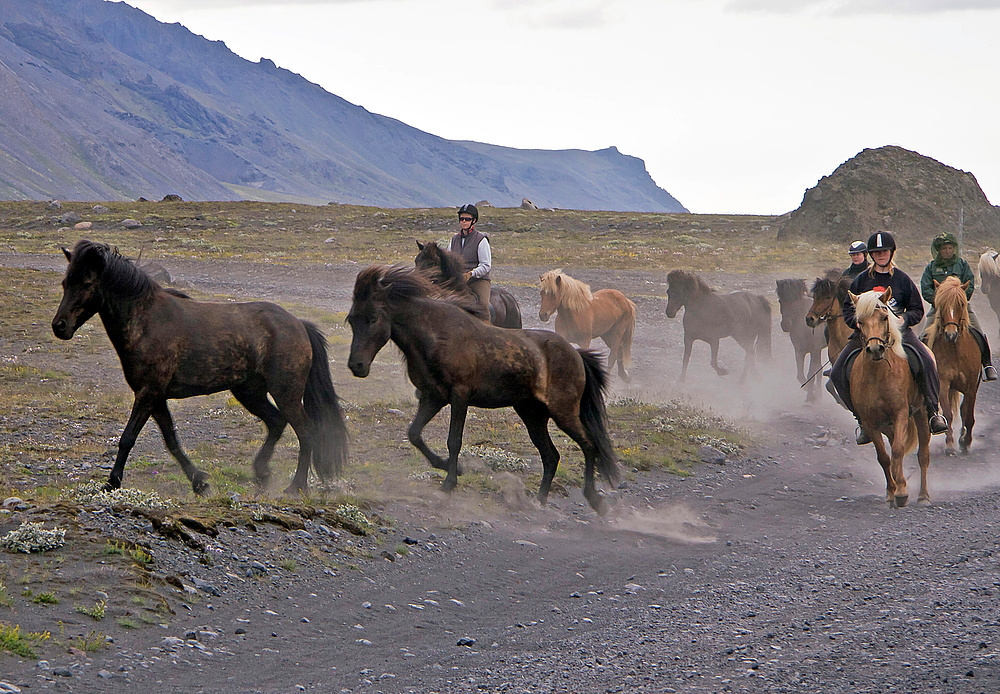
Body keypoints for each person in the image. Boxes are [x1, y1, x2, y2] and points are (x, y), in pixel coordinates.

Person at [829, 231, 948, 445]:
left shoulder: (902, 279)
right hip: (866, 336)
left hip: (900, 334)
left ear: (891, 252)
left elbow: (917, 309)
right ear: (871, 255)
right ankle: (862, 420)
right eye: (876, 252)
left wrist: (904, 319)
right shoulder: (860, 280)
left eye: (884, 251)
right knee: (837, 373)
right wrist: (855, 322)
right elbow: (848, 308)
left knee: (927, 362)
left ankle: (933, 411)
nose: (881, 255)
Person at [919, 232, 998, 381]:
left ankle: (987, 365)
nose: (947, 251)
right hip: (939, 308)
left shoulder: (962, 265)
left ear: (953, 248)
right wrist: (939, 301)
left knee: (979, 332)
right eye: (943, 249)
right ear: (938, 250)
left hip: (961, 307)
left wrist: (960, 299)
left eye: (949, 248)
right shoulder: (931, 268)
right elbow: (926, 288)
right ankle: (922, 367)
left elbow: (970, 282)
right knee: (923, 335)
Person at [448, 203, 492, 313]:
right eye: (461, 219)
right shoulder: (453, 240)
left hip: (478, 281)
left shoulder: (481, 240)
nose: (463, 221)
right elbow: (448, 261)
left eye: (467, 219)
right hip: (458, 280)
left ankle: (486, 325)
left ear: (474, 220)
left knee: (483, 306)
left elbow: (486, 265)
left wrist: (471, 273)